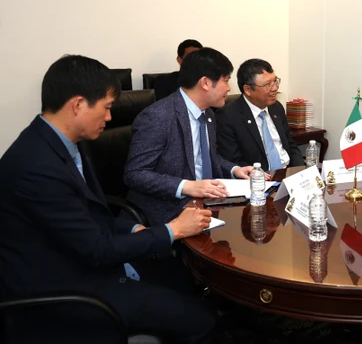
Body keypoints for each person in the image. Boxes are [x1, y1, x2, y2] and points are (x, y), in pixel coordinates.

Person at [0, 55, 215, 343]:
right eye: (107, 108)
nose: (110, 118)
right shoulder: (37, 167)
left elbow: (89, 214)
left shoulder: (63, 143)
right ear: (78, 105)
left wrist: (131, 229)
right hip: (69, 289)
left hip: (85, 259)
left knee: (185, 279)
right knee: (201, 320)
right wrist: (173, 229)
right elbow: (97, 249)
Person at [125, 47, 254, 227]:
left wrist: (234, 169)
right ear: (206, 83)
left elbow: (208, 157)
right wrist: (187, 186)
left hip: (207, 202)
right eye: (226, 80)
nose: (229, 88)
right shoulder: (158, 116)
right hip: (168, 209)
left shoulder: (208, 114)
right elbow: (135, 174)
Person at [216, 59, 305, 170]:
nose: (275, 88)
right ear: (248, 89)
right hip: (258, 178)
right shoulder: (227, 117)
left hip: (287, 171)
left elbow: (290, 144)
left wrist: (300, 170)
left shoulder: (276, 107)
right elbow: (233, 161)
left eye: (275, 81)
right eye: (268, 84)